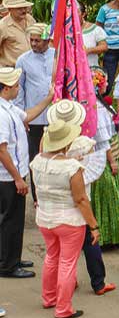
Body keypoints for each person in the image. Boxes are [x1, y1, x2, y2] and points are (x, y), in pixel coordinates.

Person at [31, 120, 100, 318]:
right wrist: (93, 225)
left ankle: (49, 297)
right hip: (69, 221)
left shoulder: (37, 161)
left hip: (45, 218)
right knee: (67, 263)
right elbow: (80, 199)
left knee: (51, 257)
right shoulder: (71, 166)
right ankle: (63, 308)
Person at [0, 67, 53, 278]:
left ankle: (11, 256)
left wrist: (49, 98)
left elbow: (28, 115)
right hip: (7, 176)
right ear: (5, 88)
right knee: (10, 219)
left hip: (15, 173)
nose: (18, 88)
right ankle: (8, 264)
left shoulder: (10, 108)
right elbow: (2, 151)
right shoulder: (2, 115)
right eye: (14, 85)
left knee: (13, 219)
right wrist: (17, 178)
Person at [65, 135, 116, 296]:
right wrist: (93, 225)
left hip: (63, 211)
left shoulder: (62, 162)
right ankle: (98, 282)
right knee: (91, 243)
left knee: (65, 250)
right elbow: (82, 200)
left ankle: (69, 280)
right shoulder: (82, 172)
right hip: (80, 210)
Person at [15, 23, 54, 204]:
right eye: (31, 40)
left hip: (56, 116)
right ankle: (38, 198)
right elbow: (19, 89)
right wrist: (22, 116)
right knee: (35, 157)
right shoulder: (23, 60)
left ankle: (54, 195)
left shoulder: (57, 56)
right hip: (34, 117)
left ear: (47, 40)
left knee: (55, 156)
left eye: (37, 40)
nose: (34, 43)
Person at [90, 68, 119, 245]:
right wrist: (112, 161)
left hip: (113, 149)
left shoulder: (102, 104)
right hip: (106, 154)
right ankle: (107, 236)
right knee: (108, 193)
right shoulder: (97, 108)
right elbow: (102, 138)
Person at [0, 0, 36, 67]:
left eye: (24, 7)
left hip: (31, 67)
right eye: (19, 8)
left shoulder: (30, 19)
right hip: (12, 70)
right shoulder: (3, 26)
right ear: (10, 9)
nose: (23, 11)